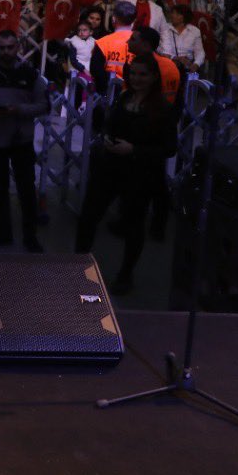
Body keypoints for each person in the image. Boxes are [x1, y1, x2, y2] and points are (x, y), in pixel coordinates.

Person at [74, 54, 178, 295]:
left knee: (133, 225)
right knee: (89, 215)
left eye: (143, 74)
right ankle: (77, 264)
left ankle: (125, 274)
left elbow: (169, 148)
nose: (137, 79)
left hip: (139, 174)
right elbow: (111, 123)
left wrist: (134, 150)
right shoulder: (124, 98)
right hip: (109, 167)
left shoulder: (163, 108)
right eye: (133, 74)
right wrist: (108, 138)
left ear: (154, 77)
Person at [0, 28, 50, 252]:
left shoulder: (31, 74)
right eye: (2, 48)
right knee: (0, 188)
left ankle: (30, 236)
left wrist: (19, 110)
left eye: (10, 47)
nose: (6, 52)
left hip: (21, 139)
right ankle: (3, 233)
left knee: (26, 188)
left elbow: (44, 105)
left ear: (18, 47)